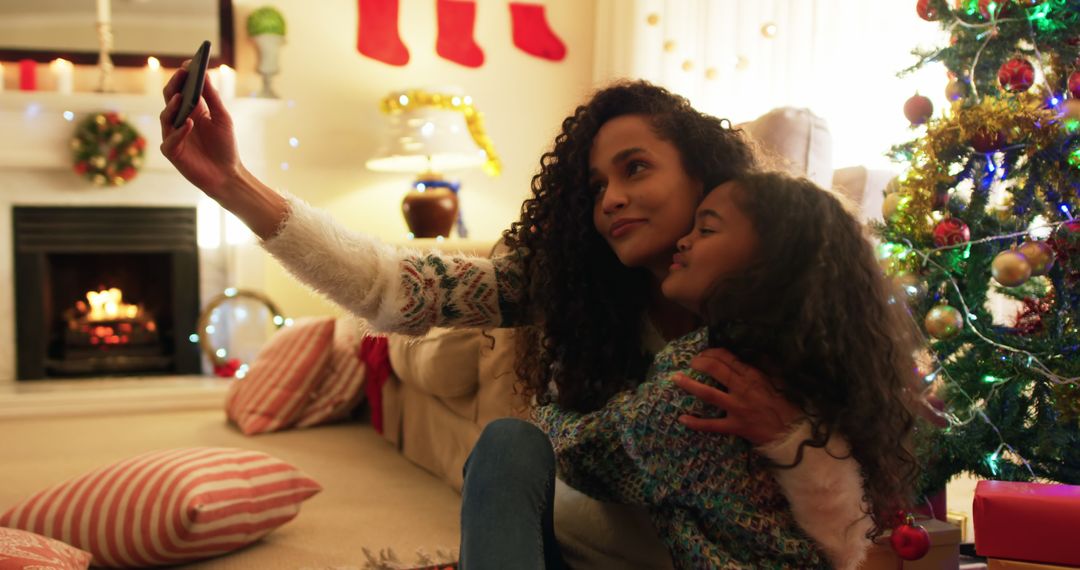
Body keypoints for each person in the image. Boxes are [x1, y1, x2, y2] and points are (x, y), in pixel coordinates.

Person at [159, 68, 872, 569]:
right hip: (576, 553)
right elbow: (394, 286)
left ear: (703, 175)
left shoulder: (788, 307)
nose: (612, 200)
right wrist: (231, 183)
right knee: (508, 444)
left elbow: (858, 520)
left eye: (636, 169)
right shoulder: (565, 282)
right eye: (597, 186)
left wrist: (788, 434)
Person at [530, 172, 922, 568]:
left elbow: (586, 456)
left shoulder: (710, 380)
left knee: (507, 443)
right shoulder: (804, 369)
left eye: (707, 229)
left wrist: (540, 406)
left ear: (769, 262)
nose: (684, 240)